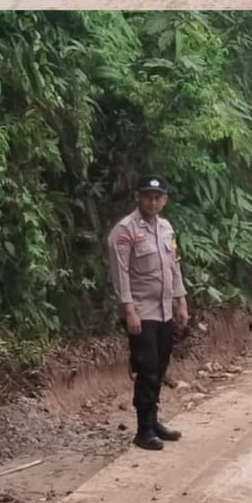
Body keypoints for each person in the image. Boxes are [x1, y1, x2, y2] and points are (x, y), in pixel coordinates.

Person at [106, 177, 190, 451]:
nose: (153, 201)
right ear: (137, 197)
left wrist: (181, 300)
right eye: (148, 196)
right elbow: (121, 273)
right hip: (142, 311)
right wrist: (128, 309)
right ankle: (143, 430)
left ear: (164, 200)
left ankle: (154, 423)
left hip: (165, 309)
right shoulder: (124, 230)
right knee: (147, 367)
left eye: (158, 197)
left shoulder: (166, 228)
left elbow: (174, 266)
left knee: (161, 365)